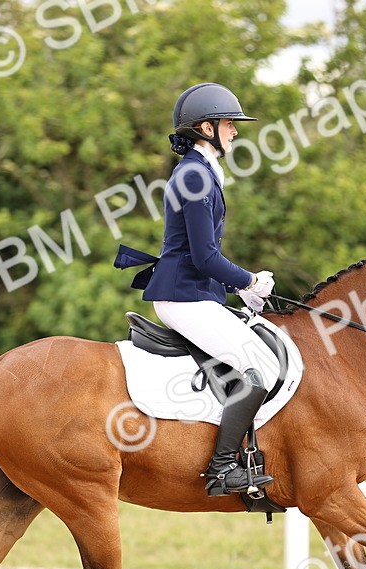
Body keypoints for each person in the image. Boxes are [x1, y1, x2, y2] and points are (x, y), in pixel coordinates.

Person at [141, 83, 278, 497]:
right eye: (229, 124)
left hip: (194, 292)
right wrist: (249, 281)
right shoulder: (196, 177)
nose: (235, 131)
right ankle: (221, 469)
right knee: (262, 370)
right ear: (206, 127)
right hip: (184, 296)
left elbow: (205, 256)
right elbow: (204, 257)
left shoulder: (199, 173)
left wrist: (238, 290)